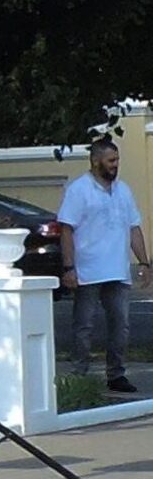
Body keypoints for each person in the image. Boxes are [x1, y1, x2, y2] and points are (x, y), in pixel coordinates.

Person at [58, 135, 149, 395]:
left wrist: (144, 262)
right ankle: (79, 375)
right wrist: (69, 268)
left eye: (117, 160)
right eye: (111, 160)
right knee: (84, 325)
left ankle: (116, 374)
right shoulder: (79, 190)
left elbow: (134, 228)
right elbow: (66, 230)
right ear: (95, 161)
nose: (115, 164)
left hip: (118, 270)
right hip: (87, 271)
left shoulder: (123, 190)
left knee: (120, 325)